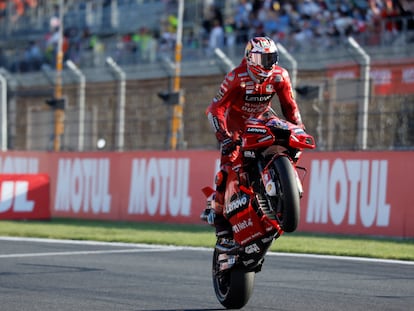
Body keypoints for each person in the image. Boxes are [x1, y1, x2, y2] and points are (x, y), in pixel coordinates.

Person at [205, 36, 304, 243]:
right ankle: (218, 215)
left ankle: (284, 185)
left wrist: (298, 128)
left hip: (263, 119)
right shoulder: (236, 77)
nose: (268, 64)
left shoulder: (280, 76)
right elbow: (215, 110)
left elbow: (290, 106)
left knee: (286, 141)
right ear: (250, 58)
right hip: (236, 127)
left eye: (271, 58)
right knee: (227, 167)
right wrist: (224, 137)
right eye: (263, 59)